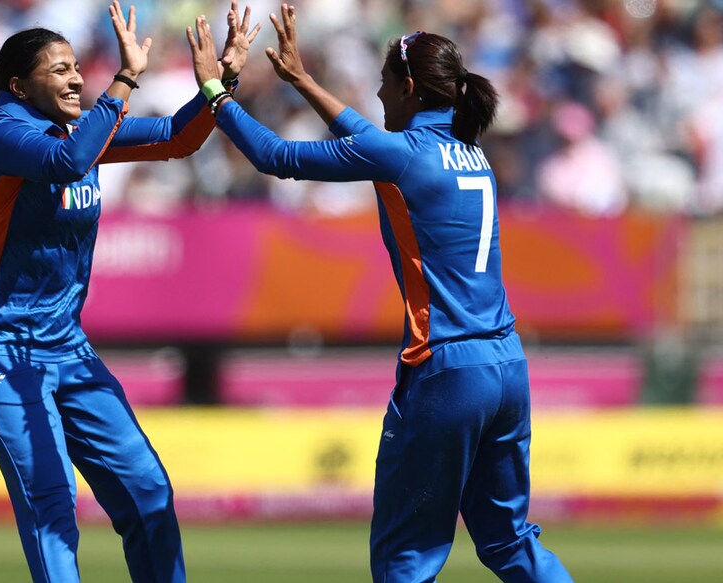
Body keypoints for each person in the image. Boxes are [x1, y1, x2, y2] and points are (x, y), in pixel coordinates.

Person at [187, 5, 573, 582]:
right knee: (510, 544)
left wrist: (215, 93)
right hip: (506, 367)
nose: (377, 92)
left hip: (446, 372)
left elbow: (276, 157)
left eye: (386, 83)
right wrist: (304, 81)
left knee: (404, 560)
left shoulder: (403, 155)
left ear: (410, 87)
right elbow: (372, 137)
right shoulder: (473, 152)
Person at [0, 2, 259, 581]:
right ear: (18, 85)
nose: (73, 78)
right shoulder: (3, 133)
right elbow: (68, 162)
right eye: (58, 70)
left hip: (68, 350)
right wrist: (126, 78)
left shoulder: (81, 128)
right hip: (0, 352)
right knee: (52, 505)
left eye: (74, 67)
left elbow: (176, 137)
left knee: (148, 493)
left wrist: (222, 82)